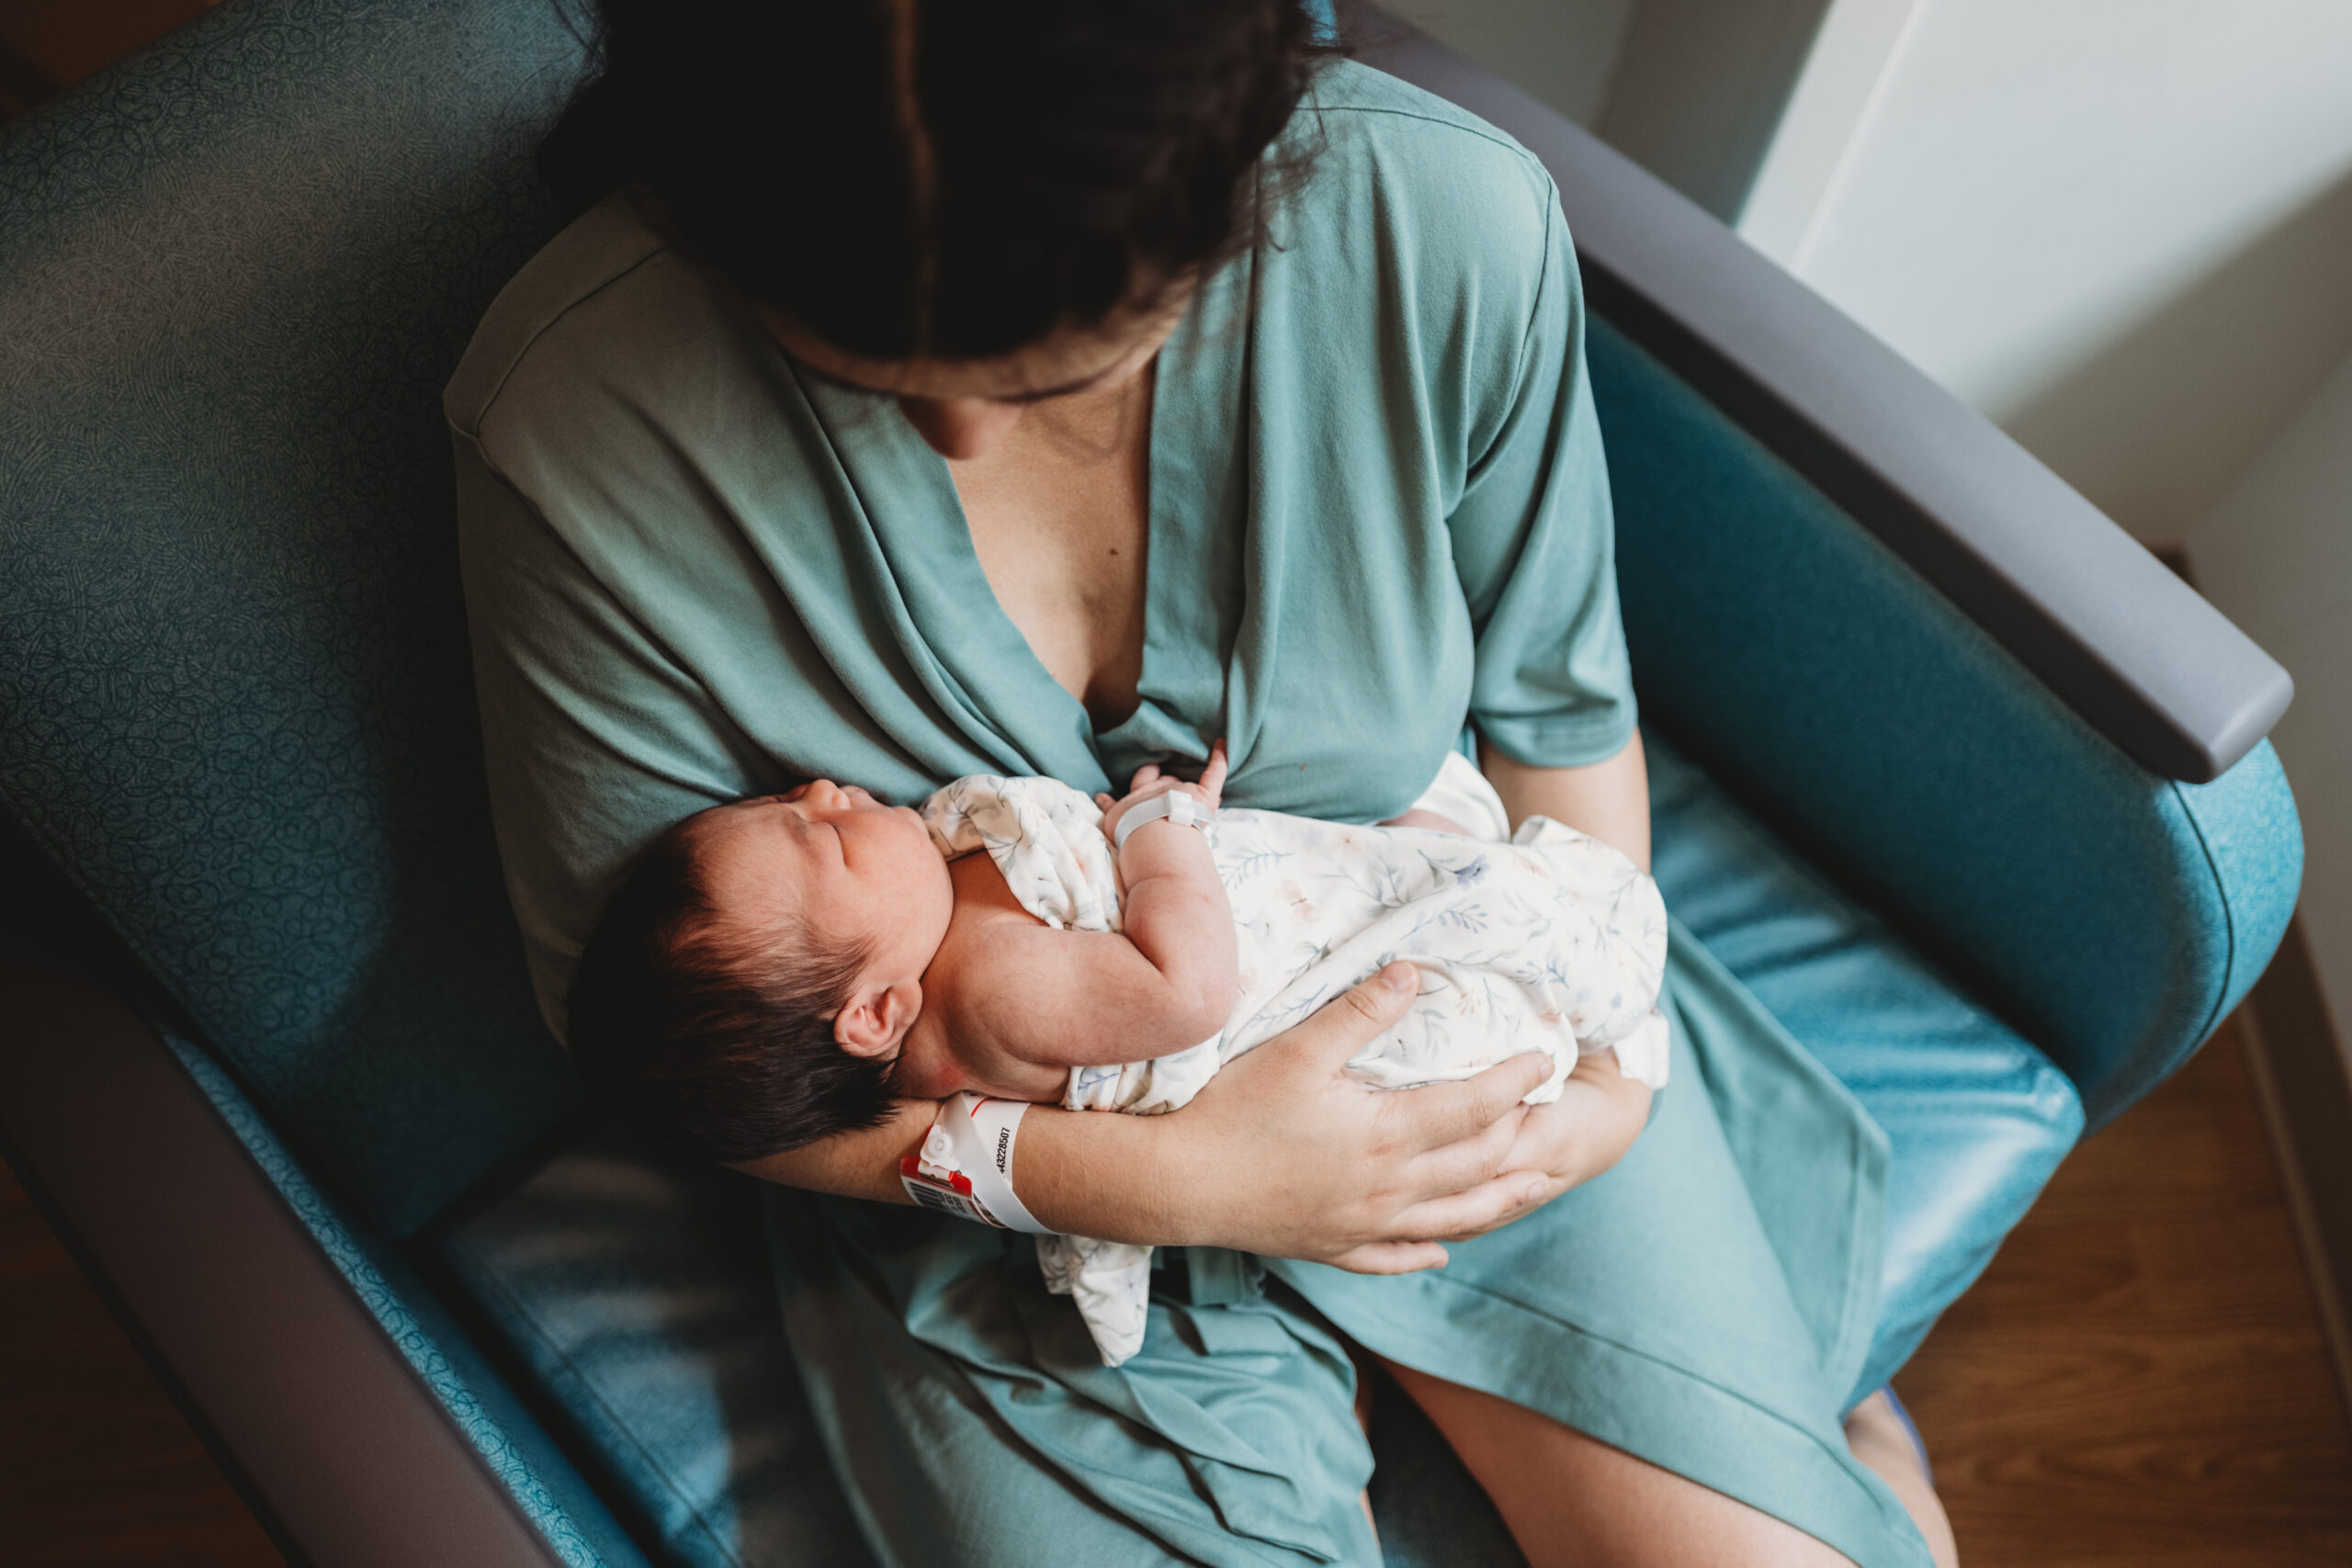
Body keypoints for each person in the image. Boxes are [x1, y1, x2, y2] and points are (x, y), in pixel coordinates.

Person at [447, 1, 1959, 1562]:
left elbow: (1563, 724)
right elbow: (684, 1063)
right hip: (1010, 1215)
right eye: (855, 369)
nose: (957, 425)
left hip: (1444, 987)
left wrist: (1614, 1077)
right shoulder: (577, 435)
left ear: (1231, 179)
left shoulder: (1441, 225)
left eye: (1058, 368)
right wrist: (1173, 1178)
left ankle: (1845, 1468)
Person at [565, 749, 1670, 1367]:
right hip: (1305, 999)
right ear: (875, 1016)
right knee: (1465, 903)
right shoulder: (991, 985)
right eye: (826, 841)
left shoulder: (939, 965)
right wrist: (1158, 833)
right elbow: (1186, 993)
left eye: (782, 802)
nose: (820, 792)